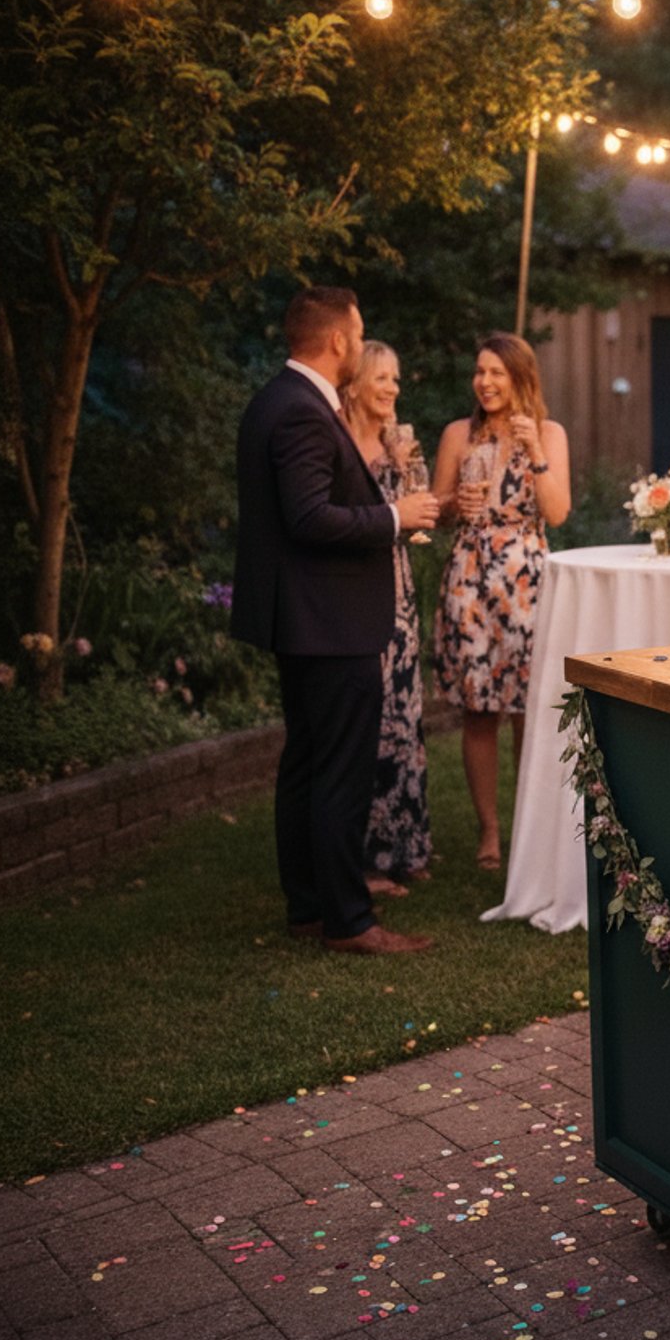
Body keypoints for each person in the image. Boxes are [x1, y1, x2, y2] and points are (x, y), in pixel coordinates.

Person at [230, 288, 439, 955]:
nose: (360, 340)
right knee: (339, 770)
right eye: (359, 331)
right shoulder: (300, 412)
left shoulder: (276, 401)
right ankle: (349, 919)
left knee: (308, 763)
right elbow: (309, 516)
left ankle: (310, 905)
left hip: (307, 617)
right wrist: (393, 518)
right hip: (329, 619)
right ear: (339, 342)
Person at [432, 333, 572, 872]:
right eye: (479, 372)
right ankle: (488, 829)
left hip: (526, 578)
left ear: (521, 378)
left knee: (526, 709)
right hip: (470, 576)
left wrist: (535, 453)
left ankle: (529, 826)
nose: (485, 382)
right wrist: (451, 504)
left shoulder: (549, 433)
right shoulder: (457, 434)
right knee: (479, 708)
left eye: (497, 373)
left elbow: (557, 513)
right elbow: (438, 509)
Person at [341, 340, 433, 898]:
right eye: (383, 378)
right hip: (358, 590)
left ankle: (405, 847)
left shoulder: (395, 440)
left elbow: (414, 509)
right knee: (371, 726)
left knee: (405, 718)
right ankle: (366, 860)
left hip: (399, 590)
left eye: (397, 379)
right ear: (355, 381)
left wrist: (410, 478)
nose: (394, 388)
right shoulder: (340, 442)